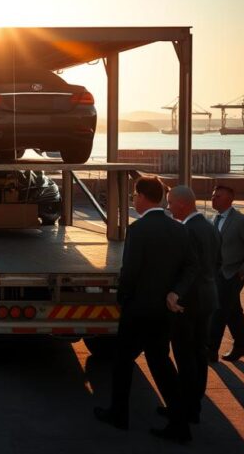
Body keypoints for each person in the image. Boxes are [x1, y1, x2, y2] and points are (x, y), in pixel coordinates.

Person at [94, 176, 196, 443]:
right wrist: (175, 292)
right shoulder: (179, 229)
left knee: (122, 361)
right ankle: (180, 424)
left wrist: (123, 298)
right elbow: (191, 267)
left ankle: (119, 414)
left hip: (138, 308)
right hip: (163, 310)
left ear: (141, 196)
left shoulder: (138, 229)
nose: (133, 200)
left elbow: (130, 271)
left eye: (134, 195)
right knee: (161, 363)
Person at [164, 185, 219, 424]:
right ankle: (194, 406)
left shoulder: (186, 230)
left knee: (185, 356)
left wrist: (175, 293)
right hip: (208, 298)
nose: (168, 208)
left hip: (188, 302)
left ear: (183, 204)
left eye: (170, 203)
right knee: (199, 353)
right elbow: (217, 263)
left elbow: (188, 268)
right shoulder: (210, 227)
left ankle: (185, 408)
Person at [209, 185, 244, 362]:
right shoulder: (214, 218)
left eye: (218, 196)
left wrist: (243, 272)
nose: (213, 199)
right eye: (213, 195)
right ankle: (242, 345)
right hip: (217, 273)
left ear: (229, 199)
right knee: (233, 310)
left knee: (219, 311)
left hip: (233, 273)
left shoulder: (240, 221)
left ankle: (210, 350)